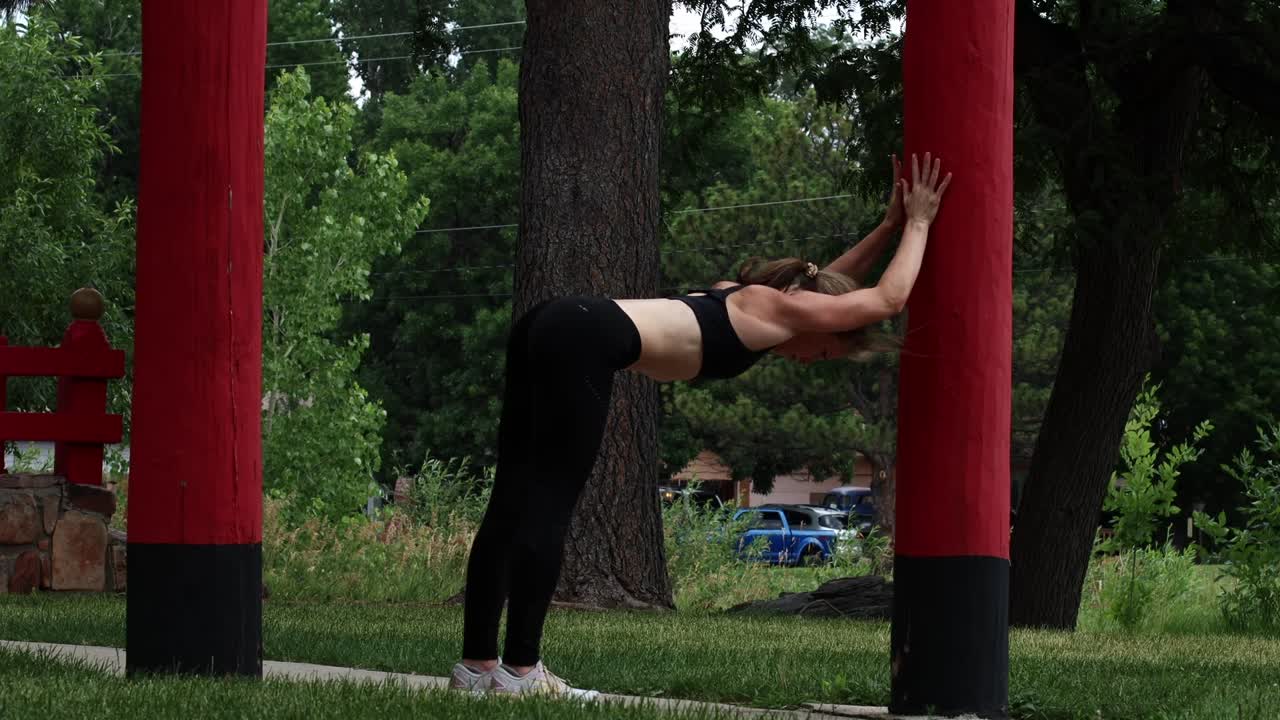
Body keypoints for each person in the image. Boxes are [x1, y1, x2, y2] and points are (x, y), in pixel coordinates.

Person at [449, 153, 952, 697]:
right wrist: (919, 222)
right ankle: (521, 672)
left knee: (511, 503)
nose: (812, 360)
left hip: (553, 323)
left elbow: (834, 284)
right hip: (582, 340)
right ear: (820, 325)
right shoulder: (778, 312)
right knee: (548, 505)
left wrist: (886, 227)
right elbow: (885, 298)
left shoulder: (755, 298)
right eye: (827, 354)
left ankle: (476, 667)